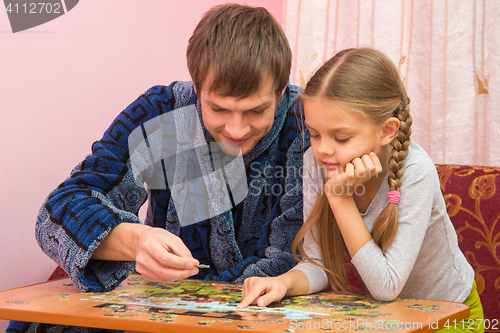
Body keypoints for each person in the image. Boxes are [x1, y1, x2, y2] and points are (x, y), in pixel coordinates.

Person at [8, 3, 309, 332]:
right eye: (219, 109)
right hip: (160, 310)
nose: (236, 130)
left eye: (255, 111)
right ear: (196, 89)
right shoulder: (162, 113)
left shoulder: (308, 124)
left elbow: (294, 257)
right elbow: (58, 213)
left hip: (271, 312)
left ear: (281, 93)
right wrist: (136, 240)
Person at [237, 48, 484, 332]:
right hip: (389, 319)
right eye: (314, 134)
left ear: (387, 131)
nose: (322, 150)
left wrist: (341, 200)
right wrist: (283, 282)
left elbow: (387, 285)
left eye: (341, 138)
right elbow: (318, 264)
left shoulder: (416, 172)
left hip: (449, 316)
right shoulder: (317, 163)